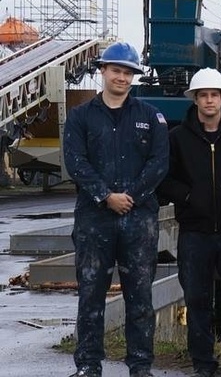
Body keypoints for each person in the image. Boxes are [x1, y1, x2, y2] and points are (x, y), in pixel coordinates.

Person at [63, 42, 169, 377]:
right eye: (116, 70)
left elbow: (159, 163)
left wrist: (131, 196)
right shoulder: (80, 117)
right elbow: (75, 162)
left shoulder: (151, 117)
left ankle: (140, 366)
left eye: (127, 72)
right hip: (94, 219)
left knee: (139, 296)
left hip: (139, 220)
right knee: (90, 293)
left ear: (134, 77)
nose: (121, 77)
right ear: (103, 71)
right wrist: (106, 195)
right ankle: (89, 365)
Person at [158, 68, 221, 377]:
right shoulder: (176, 138)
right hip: (194, 233)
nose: (209, 101)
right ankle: (204, 363)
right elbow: (163, 178)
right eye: (203, 95)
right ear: (195, 99)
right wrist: (189, 197)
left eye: (214, 95)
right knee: (197, 299)